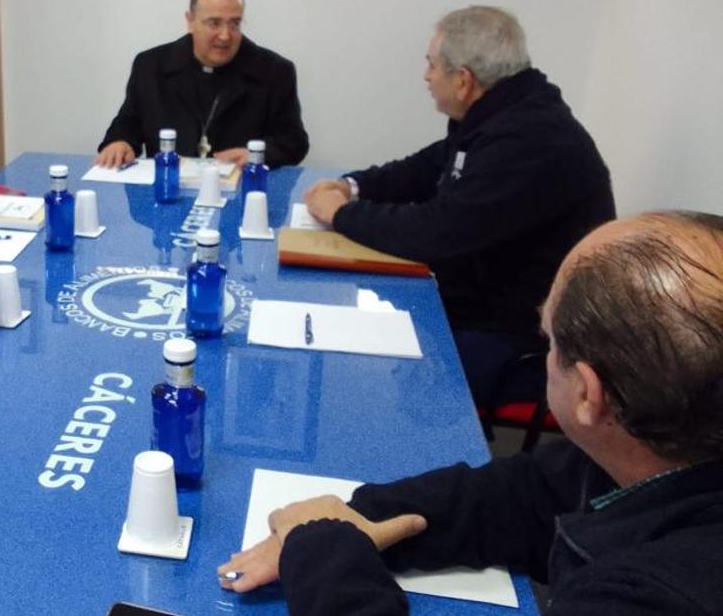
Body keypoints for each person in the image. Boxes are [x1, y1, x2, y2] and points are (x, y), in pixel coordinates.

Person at [219, 211, 723, 615]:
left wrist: (326, 555)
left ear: (589, 396)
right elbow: (524, 494)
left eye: (550, 341)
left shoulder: (662, 592)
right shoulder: (645, 457)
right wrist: (353, 517)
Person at [304, 6, 615, 408]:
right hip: (478, 293)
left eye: (432, 65)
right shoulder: (503, 112)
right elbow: (429, 165)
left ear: (464, 81)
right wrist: (353, 186)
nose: (426, 76)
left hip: (525, 336)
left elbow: (437, 233)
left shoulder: (531, 140)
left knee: (381, 391)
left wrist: (340, 214)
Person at [96, 0, 309, 169]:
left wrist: (257, 155)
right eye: (214, 23)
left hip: (242, 189)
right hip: (169, 189)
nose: (225, 36)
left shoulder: (274, 71)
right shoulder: (151, 66)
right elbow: (128, 123)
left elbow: (294, 142)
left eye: (234, 23)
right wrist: (119, 143)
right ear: (190, 21)